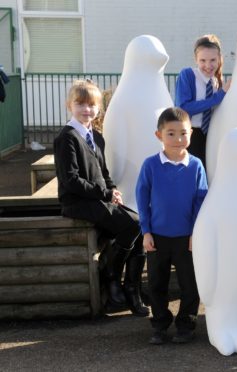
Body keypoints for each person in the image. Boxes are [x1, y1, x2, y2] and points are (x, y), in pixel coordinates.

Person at [54, 79, 148, 316]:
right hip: (77, 202)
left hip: (97, 199)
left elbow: (103, 173)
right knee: (133, 224)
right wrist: (105, 193)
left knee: (141, 226)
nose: (87, 109)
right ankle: (111, 275)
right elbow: (70, 180)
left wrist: (112, 191)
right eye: (80, 104)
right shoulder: (67, 138)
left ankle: (132, 290)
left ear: (98, 108)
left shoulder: (96, 137)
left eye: (91, 105)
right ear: (69, 105)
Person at [136, 107, 208, 345]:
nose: (178, 139)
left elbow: (201, 200)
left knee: (190, 284)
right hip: (157, 237)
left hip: (186, 238)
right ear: (159, 135)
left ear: (191, 133)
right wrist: (145, 231)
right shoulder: (150, 165)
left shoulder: (196, 165)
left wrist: (196, 232)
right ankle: (159, 324)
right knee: (156, 284)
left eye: (183, 133)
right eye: (171, 133)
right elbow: (142, 198)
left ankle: (186, 325)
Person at [175, 34, 231, 166]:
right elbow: (183, 108)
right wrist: (218, 96)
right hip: (190, 136)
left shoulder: (217, 82)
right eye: (202, 60)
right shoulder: (187, 75)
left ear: (219, 60)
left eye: (213, 60)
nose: (208, 65)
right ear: (196, 60)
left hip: (211, 136)